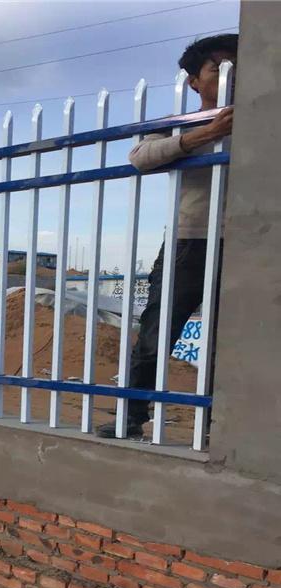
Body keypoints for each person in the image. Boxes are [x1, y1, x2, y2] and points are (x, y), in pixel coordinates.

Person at [97, 33, 237, 439]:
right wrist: (202, 135)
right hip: (189, 241)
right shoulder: (181, 124)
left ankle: (216, 426)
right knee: (157, 332)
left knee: (229, 340)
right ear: (194, 82)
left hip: (248, 245)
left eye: (236, 67)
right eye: (218, 69)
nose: (231, 76)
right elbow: (140, 157)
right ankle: (131, 417)